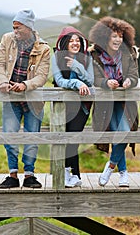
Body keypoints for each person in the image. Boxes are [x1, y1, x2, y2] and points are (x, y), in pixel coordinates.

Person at [0, 9, 50, 188]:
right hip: (11, 97)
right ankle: (12, 175)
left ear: (28, 27)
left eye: (18, 27)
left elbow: (42, 76)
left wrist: (25, 85)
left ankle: (29, 175)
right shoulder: (7, 39)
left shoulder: (44, 48)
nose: (15, 31)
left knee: (32, 138)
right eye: (13, 27)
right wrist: (3, 82)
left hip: (33, 99)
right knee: (10, 137)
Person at [88, 16, 139, 187]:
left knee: (123, 132)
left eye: (120, 36)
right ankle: (123, 174)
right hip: (105, 104)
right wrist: (105, 83)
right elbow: (93, 78)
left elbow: (134, 74)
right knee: (117, 137)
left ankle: (110, 167)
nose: (118, 40)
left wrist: (129, 82)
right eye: (114, 36)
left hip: (125, 103)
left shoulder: (129, 52)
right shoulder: (95, 54)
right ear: (105, 37)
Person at [52, 26, 94, 187]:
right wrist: (76, 82)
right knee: (63, 139)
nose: (75, 43)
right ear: (64, 43)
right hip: (62, 106)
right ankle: (67, 173)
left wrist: (77, 66)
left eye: (78, 41)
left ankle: (72, 173)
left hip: (81, 107)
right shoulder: (56, 57)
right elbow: (59, 81)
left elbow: (90, 81)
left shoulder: (86, 57)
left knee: (73, 139)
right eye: (71, 41)